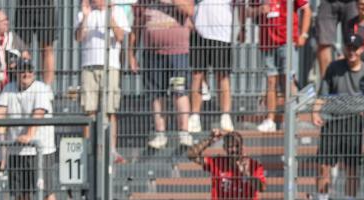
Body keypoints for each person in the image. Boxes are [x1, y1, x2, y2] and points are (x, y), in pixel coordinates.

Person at [305, 36, 364, 200]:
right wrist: (315, 111)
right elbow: (323, 93)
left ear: (361, 50)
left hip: (354, 122)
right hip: (332, 120)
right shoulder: (334, 68)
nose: (352, 52)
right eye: (349, 47)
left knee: (352, 168)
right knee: (323, 164)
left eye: (355, 48)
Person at [0, 58, 57, 200]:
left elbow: (39, 112)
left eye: (29, 70)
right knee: (20, 190)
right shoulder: (9, 89)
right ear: (16, 73)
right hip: (16, 149)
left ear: (34, 73)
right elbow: (0, 111)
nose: (25, 74)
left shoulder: (41, 88)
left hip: (41, 149)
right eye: (22, 71)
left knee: (47, 189)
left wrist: (29, 134)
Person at [131, 0, 195, 149]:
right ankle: (160, 134)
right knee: (156, 94)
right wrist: (131, 55)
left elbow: (189, 11)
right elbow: (137, 26)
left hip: (177, 53)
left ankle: (184, 132)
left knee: (179, 91)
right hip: (152, 54)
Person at [76, 0, 130, 161]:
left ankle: (111, 150)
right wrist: (85, 17)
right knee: (89, 110)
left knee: (110, 110)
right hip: (88, 65)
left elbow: (120, 36)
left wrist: (108, 15)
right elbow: (79, 37)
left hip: (110, 66)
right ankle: (88, 148)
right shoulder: (84, 12)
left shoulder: (117, 11)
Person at [251, 0, 312, 133]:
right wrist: (259, 10)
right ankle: (270, 120)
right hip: (266, 42)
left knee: (289, 79)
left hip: (287, 40)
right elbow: (248, 11)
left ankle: (291, 118)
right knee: (270, 81)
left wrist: (304, 34)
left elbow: (307, 10)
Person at [188, 0, 243, 134]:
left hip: (222, 35)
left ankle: (225, 115)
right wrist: (189, 20)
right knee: (197, 76)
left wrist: (242, 27)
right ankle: (195, 116)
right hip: (199, 34)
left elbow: (240, 5)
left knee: (223, 77)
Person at [0, 9, 30, 90]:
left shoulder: (13, 38)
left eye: (7, 19)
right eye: (3, 21)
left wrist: (17, 63)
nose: (6, 23)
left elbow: (26, 56)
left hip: (13, 83)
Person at [15, 0, 57, 86]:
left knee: (47, 48)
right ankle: (25, 85)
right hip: (24, 6)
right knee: (23, 49)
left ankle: (47, 88)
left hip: (45, 5)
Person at [316, 0, 357, 82]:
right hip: (328, 2)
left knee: (354, 43)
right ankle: (326, 84)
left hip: (352, 2)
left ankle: (351, 84)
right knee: (324, 42)